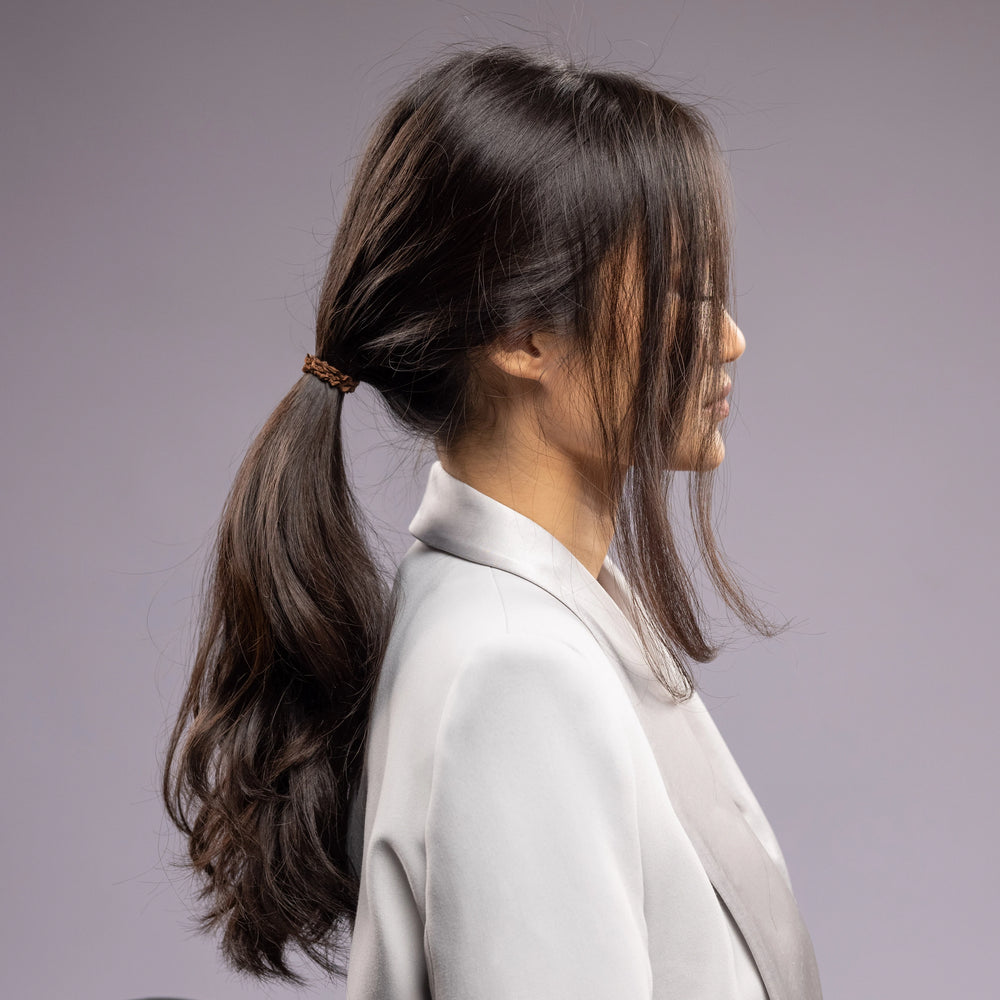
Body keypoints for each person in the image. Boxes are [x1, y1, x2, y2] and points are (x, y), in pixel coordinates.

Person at [162, 42, 823, 1000]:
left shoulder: (529, 618)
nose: (728, 340)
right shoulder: (517, 672)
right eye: (686, 293)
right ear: (524, 337)